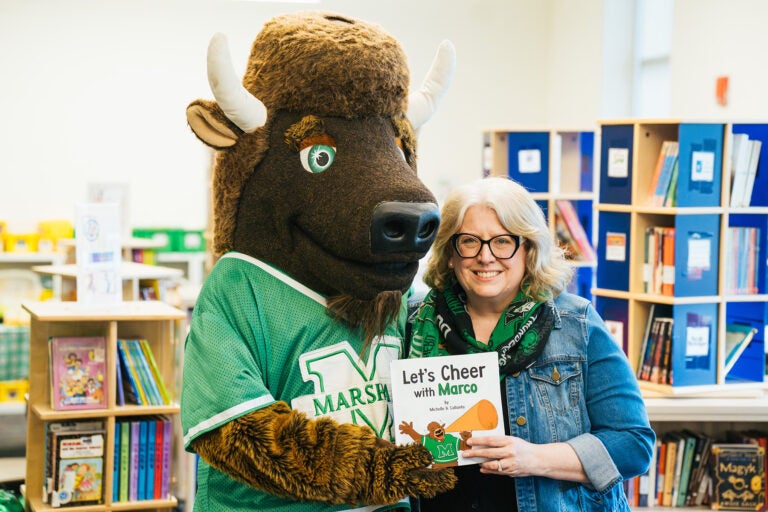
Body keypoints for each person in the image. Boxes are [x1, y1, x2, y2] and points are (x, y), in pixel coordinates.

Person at [407, 176, 655, 512]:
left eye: (503, 241)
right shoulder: (413, 323)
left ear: (528, 249)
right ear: (450, 254)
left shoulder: (575, 324)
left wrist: (534, 458)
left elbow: (633, 445)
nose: (486, 256)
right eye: (469, 242)